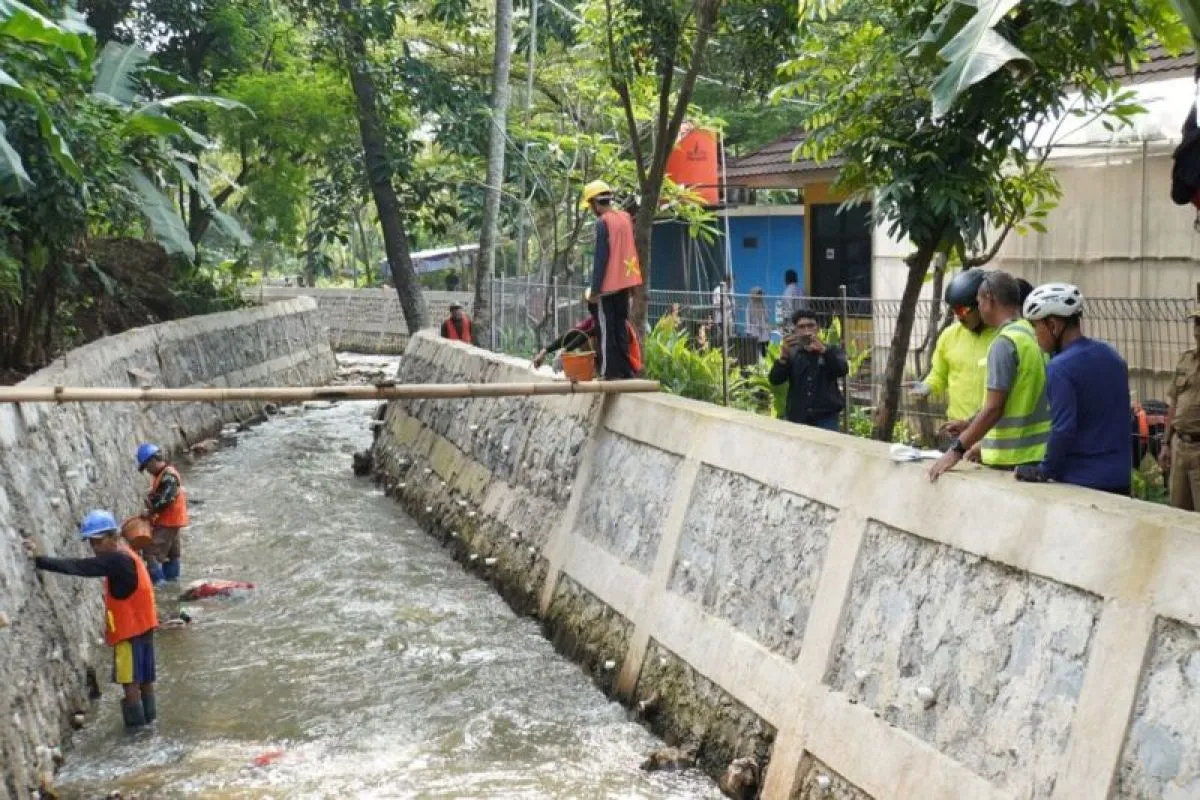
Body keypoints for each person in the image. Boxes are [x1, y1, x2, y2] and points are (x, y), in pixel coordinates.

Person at [25, 510, 158, 728]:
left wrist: (41, 561)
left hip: (130, 632)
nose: (95, 548)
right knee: (145, 680)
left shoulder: (115, 560)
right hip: (144, 627)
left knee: (130, 682)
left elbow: (80, 567)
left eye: (98, 542)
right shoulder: (127, 554)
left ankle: (137, 733)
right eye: (91, 543)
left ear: (113, 538)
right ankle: (151, 723)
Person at [929, 271, 1050, 481]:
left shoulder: (1004, 343)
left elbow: (994, 408)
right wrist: (971, 425)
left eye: (977, 302)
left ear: (988, 300)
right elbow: (1017, 397)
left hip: (1012, 457)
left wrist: (956, 450)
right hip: (1037, 454)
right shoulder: (1030, 334)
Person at [1013, 283, 1131, 495]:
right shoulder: (1112, 356)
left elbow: (1063, 429)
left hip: (1083, 481)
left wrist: (1044, 470)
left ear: (1053, 325)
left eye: (1035, 326)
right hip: (1119, 478)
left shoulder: (1060, 368)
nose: (1034, 335)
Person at [912, 268, 998, 427]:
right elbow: (939, 374)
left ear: (981, 304)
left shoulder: (1002, 339)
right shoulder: (949, 336)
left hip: (992, 429)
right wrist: (927, 386)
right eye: (954, 310)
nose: (959, 316)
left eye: (963, 309)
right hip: (957, 428)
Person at [582, 179, 643, 379]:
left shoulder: (602, 222)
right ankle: (625, 371)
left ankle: (609, 372)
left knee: (606, 329)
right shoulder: (625, 218)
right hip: (626, 282)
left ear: (594, 203)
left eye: (590, 205)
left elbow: (601, 259)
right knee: (620, 327)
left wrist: (595, 290)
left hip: (608, 286)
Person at [768, 308, 848, 431]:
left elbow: (842, 370)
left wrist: (823, 351)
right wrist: (783, 356)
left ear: (818, 328)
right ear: (795, 331)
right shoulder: (792, 353)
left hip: (826, 417)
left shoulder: (831, 350)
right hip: (798, 417)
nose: (806, 331)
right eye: (801, 327)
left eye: (810, 326)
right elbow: (775, 380)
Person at [532, 297, 642, 374]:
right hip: (613, 363)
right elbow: (573, 334)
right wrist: (545, 351)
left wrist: (565, 351)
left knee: (588, 338)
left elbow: (587, 334)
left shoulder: (615, 322)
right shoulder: (594, 321)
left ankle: (600, 372)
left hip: (628, 366)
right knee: (579, 334)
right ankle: (595, 371)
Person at [1161, 306, 1200, 510]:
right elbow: (1174, 402)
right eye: (1196, 323)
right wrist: (1166, 442)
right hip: (1180, 447)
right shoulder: (1186, 359)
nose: (1198, 329)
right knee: (1177, 512)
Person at [137, 443, 188, 584]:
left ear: (153, 461)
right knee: (172, 554)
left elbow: (165, 500)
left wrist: (150, 511)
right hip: (173, 521)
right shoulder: (164, 475)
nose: (147, 470)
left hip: (168, 522)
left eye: (147, 467)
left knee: (150, 552)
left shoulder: (169, 477)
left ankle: (160, 586)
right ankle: (173, 582)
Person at [746, 287, 771, 358]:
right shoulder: (749, 306)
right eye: (758, 294)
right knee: (755, 354)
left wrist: (768, 330)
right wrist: (748, 332)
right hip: (754, 333)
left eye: (760, 295)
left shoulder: (764, 304)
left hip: (764, 333)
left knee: (765, 352)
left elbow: (766, 318)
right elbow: (748, 320)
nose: (760, 296)